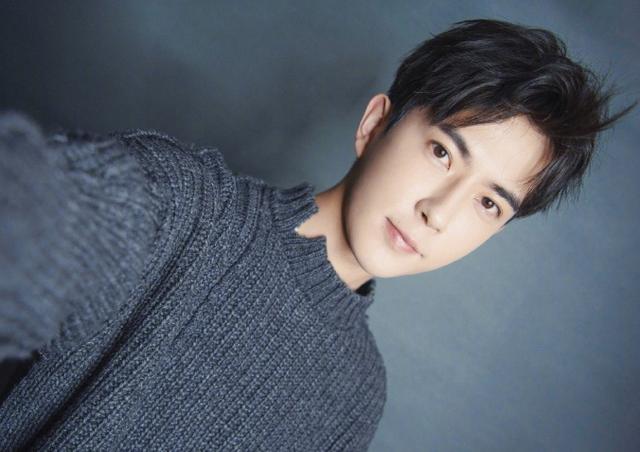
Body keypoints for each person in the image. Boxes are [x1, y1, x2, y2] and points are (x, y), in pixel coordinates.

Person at [0, 18, 634, 451]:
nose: (439, 213)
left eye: (489, 203)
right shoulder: (186, 204)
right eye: (443, 152)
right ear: (375, 125)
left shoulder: (359, 396)